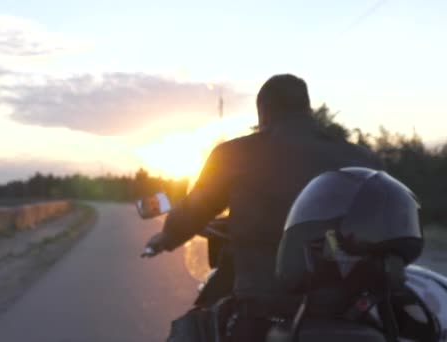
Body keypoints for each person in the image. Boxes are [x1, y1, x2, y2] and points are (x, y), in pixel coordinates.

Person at [143, 74, 384, 341]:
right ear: (307, 108)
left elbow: (195, 209)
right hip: (347, 309)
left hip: (264, 309)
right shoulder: (361, 158)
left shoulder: (234, 155)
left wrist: (167, 237)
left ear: (263, 113)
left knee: (193, 331)